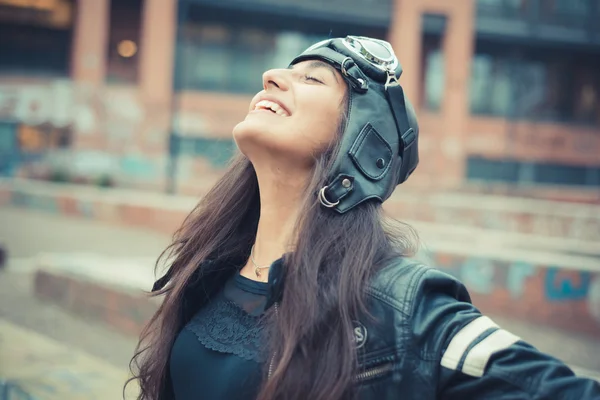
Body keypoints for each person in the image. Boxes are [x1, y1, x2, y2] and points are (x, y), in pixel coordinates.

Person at [127, 36, 600, 400]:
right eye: (283, 72)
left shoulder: (401, 311)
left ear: (364, 143)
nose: (271, 76)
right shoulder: (206, 272)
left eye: (313, 79)